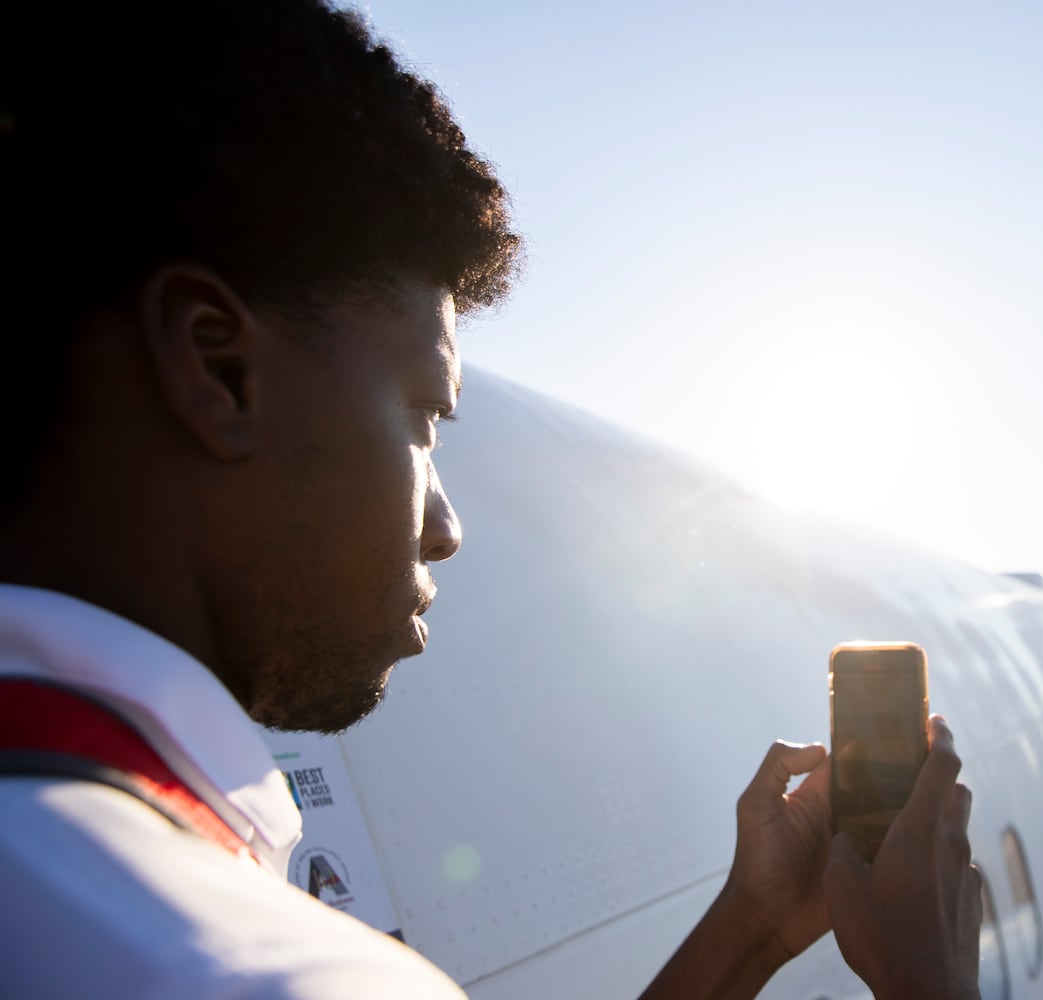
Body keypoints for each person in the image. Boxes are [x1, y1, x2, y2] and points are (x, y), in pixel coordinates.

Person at [0, 3, 980, 997]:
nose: (445, 526)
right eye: (424, 417)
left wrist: (755, 929)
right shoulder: (269, 973)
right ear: (221, 369)